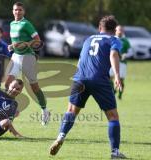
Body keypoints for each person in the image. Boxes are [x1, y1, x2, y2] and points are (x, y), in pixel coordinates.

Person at [49, 16, 127, 159]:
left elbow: (81, 60)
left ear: (99, 28)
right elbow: (114, 54)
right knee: (113, 116)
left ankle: (61, 136)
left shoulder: (88, 39)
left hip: (79, 78)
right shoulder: (114, 40)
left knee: (71, 111)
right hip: (99, 80)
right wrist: (117, 75)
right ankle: (115, 152)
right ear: (115, 30)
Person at [5, 2, 50, 126]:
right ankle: (8, 110)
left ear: (23, 12)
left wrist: (25, 44)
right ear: (12, 11)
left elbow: (38, 41)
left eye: (20, 10)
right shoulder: (12, 24)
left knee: (34, 87)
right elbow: (15, 42)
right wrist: (13, 46)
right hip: (16, 56)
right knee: (8, 83)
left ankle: (44, 110)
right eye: (15, 10)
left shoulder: (26, 24)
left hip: (28, 57)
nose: (17, 12)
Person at [109, 25, 132, 100]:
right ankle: (113, 91)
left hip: (122, 63)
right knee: (109, 78)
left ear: (123, 31)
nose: (120, 31)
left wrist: (125, 55)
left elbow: (131, 52)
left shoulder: (125, 41)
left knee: (121, 79)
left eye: (121, 30)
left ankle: (120, 94)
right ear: (115, 30)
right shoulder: (112, 39)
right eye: (119, 30)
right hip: (112, 62)